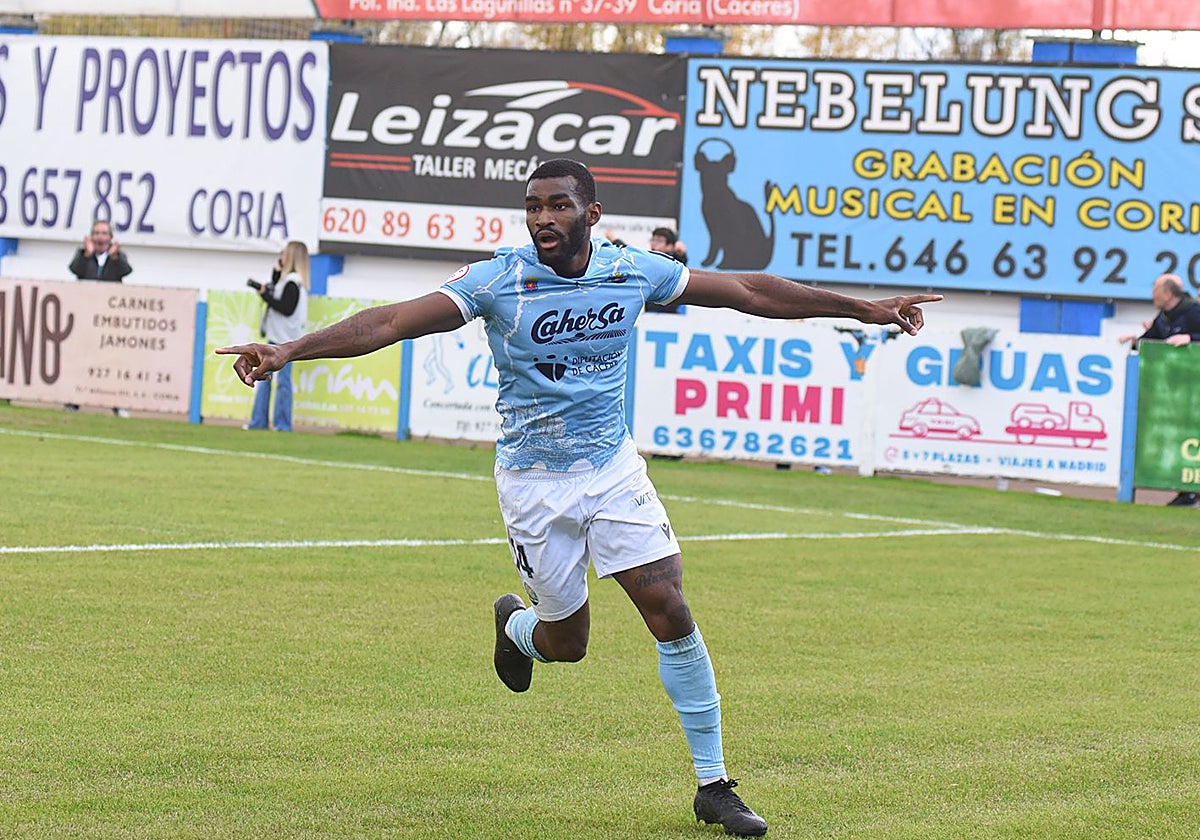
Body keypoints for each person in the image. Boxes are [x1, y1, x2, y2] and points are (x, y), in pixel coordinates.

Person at [217, 159, 940, 836]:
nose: (542, 218)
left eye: (558, 205)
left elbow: (749, 292)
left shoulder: (634, 271)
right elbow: (390, 322)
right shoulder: (500, 279)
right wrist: (288, 351)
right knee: (569, 644)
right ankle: (517, 629)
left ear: (592, 212)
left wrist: (865, 308)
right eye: (533, 207)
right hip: (533, 483)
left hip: (611, 469)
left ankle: (714, 784)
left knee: (672, 609)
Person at [1118, 273, 1200, 507]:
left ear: (1168, 292)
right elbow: (1151, 339)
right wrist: (1135, 341)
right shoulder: (1164, 316)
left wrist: (1190, 338)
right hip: (1172, 393)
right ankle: (1186, 492)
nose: (1153, 292)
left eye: (1156, 287)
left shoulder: (1193, 312)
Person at [68, 219, 133, 415]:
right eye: (97, 233)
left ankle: (117, 403)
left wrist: (115, 258)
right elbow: (74, 270)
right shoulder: (83, 256)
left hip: (109, 321)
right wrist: (87, 254)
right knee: (81, 360)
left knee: (112, 361)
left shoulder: (118, 258)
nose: (100, 237)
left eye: (104, 233)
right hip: (85, 319)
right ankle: (74, 400)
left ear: (110, 238)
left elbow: (127, 271)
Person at [245, 241, 310, 432]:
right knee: (266, 381)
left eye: (284, 254)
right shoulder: (288, 281)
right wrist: (275, 272)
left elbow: (286, 308)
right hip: (280, 337)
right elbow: (275, 288)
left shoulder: (293, 282)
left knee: (281, 383)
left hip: (285, 340)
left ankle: (280, 423)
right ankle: (261, 422)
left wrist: (265, 295)